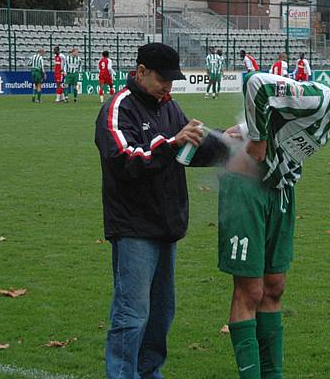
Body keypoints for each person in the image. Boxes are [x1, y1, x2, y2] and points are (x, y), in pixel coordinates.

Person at [220, 72, 330, 378]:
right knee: (250, 291)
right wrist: (257, 137)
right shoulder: (319, 98)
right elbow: (257, 84)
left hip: (280, 193)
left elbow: (279, 114)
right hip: (247, 190)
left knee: (274, 287)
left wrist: (245, 129)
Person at [95, 43, 233, 379]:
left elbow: (190, 151)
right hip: (133, 227)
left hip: (166, 225)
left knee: (160, 314)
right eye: (162, 79)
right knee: (131, 314)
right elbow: (124, 160)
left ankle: (149, 372)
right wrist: (171, 144)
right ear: (141, 72)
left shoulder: (169, 106)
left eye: (172, 79)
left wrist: (224, 141)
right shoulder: (117, 108)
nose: (168, 86)